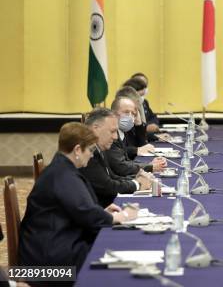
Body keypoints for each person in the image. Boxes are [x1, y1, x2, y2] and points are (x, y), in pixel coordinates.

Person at [18, 123, 138, 274]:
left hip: (54, 246)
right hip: (50, 262)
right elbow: (85, 212)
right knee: (116, 262)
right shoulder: (63, 175)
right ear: (77, 150)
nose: (92, 154)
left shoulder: (62, 168)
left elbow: (77, 208)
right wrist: (122, 216)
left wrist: (102, 211)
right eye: (90, 149)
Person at [81, 108, 153, 207]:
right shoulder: (86, 152)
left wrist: (136, 178)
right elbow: (108, 186)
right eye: (112, 131)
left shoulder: (98, 148)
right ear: (95, 128)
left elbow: (112, 177)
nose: (115, 137)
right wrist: (137, 184)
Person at [107, 96, 166, 176]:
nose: (130, 117)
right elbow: (121, 166)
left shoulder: (123, 130)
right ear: (114, 114)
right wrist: (149, 167)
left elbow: (127, 161)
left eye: (133, 114)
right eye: (126, 112)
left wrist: (149, 164)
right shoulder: (110, 134)